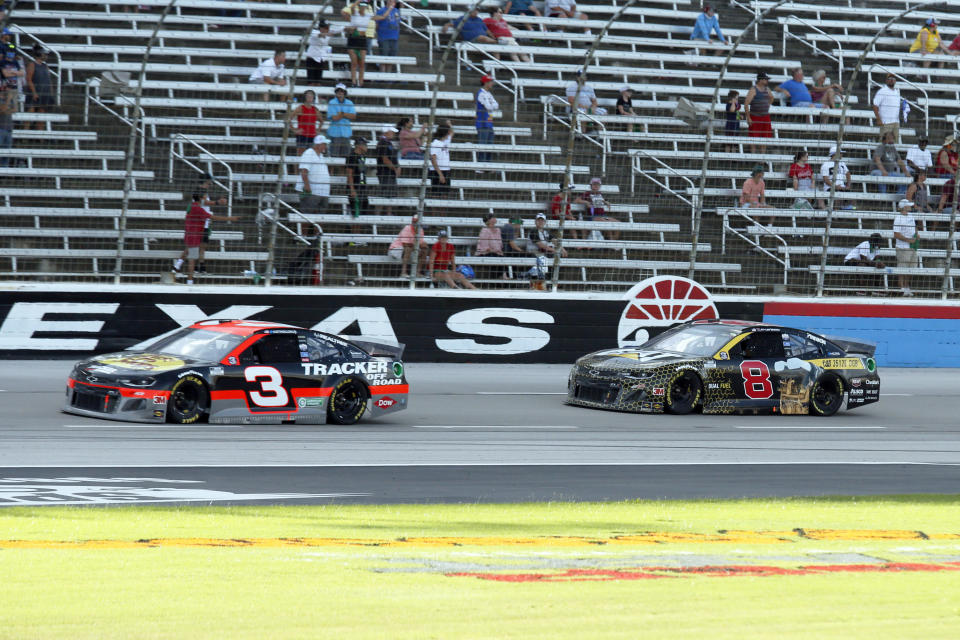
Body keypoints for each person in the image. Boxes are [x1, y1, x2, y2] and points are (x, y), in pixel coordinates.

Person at [176, 194, 237, 285]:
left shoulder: (193, 207)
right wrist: (230, 218)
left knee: (189, 254)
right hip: (194, 237)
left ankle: (176, 268)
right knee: (192, 259)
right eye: (204, 198)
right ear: (200, 199)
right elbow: (212, 217)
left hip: (190, 235)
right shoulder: (198, 209)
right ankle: (189, 281)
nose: (206, 199)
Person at [341, 0, 377, 87]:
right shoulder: (355, 12)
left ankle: (361, 82)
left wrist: (390, 8)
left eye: (365, 5)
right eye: (362, 5)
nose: (363, 6)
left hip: (362, 38)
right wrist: (358, 1)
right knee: (354, 62)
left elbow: (381, 17)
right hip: (354, 38)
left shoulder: (368, 14)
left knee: (362, 63)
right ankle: (353, 82)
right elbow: (349, 9)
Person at [295, 135, 331, 213]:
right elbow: (304, 171)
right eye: (324, 144)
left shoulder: (321, 155)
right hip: (313, 191)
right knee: (307, 216)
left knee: (321, 217)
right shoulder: (309, 153)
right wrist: (307, 186)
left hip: (322, 192)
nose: (325, 146)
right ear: (318, 144)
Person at [893, 198, 919, 297]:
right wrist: (908, 240)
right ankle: (901, 288)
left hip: (912, 246)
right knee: (902, 269)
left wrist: (917, 234)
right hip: (903, 247)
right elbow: (896, 234)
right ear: (904, 207)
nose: (911, 206)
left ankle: (907, 287)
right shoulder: (898, 218)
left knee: (911, 268)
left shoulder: (910, 215)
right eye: (909, 205)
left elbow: (914, 226)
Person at [744, 72, 773, 155]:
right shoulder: (753, 90)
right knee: (753, 138)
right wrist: (748, 117)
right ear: (761, 80)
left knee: (764, 139)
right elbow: (746, 104)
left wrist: (767, 105)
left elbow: (771, 97)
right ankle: (753, 157)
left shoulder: (767, 89)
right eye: (765, 79)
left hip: (765, 116)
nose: (767, 81)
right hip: (755, 117)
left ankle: (762, 159)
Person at [305, 20, 342, 86]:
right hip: (312, 59)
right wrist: (327, 34)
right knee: (311, 82)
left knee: (318, 82)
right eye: (326, 28)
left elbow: (339, 29)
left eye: (328, 28)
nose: (328, 29)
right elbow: (318, 35)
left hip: (321, 59)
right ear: (321, 28)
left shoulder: (328, 32)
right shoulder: (314, 32)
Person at [24, 46, 53, 127]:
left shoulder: (45, 66)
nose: (46, 56)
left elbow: (49, 80)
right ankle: (24, 137)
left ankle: (40, 139)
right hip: (35, 93)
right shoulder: (32, 65)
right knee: (29, 116)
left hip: (44, 94)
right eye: (44, 54)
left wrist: (50, 92)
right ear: (39, 54)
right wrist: (34, 93)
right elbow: (29, 79)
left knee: (41, 118)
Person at [326, 84, 356, 159]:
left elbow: (353, 116)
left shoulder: (349, 103)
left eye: (342, 91)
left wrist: (342, 114)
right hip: (335, 134)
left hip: (346, 134)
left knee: (346, 159)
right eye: (338, 91)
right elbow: (334, 118)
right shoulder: (332, 102)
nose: (340, 92)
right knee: (333, 157)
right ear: (336, 92)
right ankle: (332, 171)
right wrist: (346, 115)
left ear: (344, 92)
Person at [288, 89, 322, 156]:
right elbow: (288, 119)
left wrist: (318, 130)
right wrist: (294, 130)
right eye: (308, 96)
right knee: (300, 156)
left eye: (311, 97)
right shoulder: (300, 108)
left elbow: (321, 121)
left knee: (310, 156)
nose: (310, 98)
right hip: (302, 135)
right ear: (305, 98)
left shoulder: (315, 109)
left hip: (312, 136)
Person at [376, 124, 400, 215]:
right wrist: (395, 168)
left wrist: (397, 167)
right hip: (385, 173)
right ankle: (377, 216)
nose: (393, 133)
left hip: (389, 173)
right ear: (387, 132)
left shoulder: (386, 142)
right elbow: (385, 159)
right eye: (392, 131)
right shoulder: (383, 143)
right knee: (384, 196)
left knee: (389, 196)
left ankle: (388, 215)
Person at [475, 75, 498, 166]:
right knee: (483, 145)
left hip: (489, 123)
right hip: (482, 123)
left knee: (489, 145)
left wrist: (491, 106)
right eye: (490, 82)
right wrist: (491, 106)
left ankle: (488, 165)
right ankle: (481, 165)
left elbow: (496, 105)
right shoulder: (481, 93)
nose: (492, 83)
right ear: (485, 83)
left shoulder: (488, 94)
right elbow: (489, 106)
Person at [345, 137, 370, 220]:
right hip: (355, 188)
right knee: (356, 214)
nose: (367, 146)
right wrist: (352, 189)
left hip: (362, 188)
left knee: (363, 213)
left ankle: (359, 232)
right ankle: (355, 232)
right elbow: (349, 174)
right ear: (359, 146)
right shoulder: (352, 156)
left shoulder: (362, 156)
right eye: (365, 144)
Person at [476, 213, 505, 279]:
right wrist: (494, 250)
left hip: (496, 252)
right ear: (488, 220)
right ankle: (501, 276)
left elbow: (500, 243)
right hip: (485, 252)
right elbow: (484, 246)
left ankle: (503, 276)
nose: (495, 218)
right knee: (496, 257)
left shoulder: (498, 230)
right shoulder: (484, 230)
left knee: (502, 256)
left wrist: (498, 250)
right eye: (493, 217)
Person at [872, 73, 901, 140]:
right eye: (889, 79)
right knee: (884, 143)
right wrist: (878, 119)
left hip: (896, 122)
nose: (891, 80)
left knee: (895, 144)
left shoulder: (896, 92)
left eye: (893, 79)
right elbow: (875, 105)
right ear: (886, 80)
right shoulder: (882, 91)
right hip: (886, 122)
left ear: (895, 81)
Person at [375, 0, 401, 73]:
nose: (392, 3)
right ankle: (382, 74)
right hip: (384, 37)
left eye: (393, 1)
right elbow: (377, 24)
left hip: (394, 37)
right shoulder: (381, 10)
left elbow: (398, 22)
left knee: (392, 58)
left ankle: (389, 75)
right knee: (383, 57)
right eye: (390, 1)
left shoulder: (397, 11)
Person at [428, 125, 453, 198]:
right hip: (437, 171)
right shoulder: (435, 143)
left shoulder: (445, 142)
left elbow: (452, 133)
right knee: (436, 195)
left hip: (446, 170)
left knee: (445, 195)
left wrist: (449, 124)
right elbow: (433, 159)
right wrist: (440, 174)